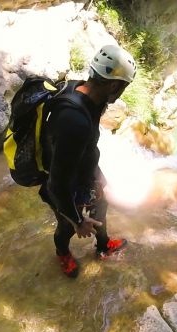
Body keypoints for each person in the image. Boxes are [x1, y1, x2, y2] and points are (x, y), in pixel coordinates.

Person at [39, 44, 136, 278]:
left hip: (85, 175)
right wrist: (77, 219)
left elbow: (87, 146)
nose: (122, 92)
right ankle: (62, 253)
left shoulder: (83, 92)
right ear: (114, 84)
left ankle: (103, 246)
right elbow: (56, 184)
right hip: (67, 185)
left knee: (101, 209)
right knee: (66, 227)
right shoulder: (74, 121)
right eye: (124, 86)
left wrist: (98, 176)